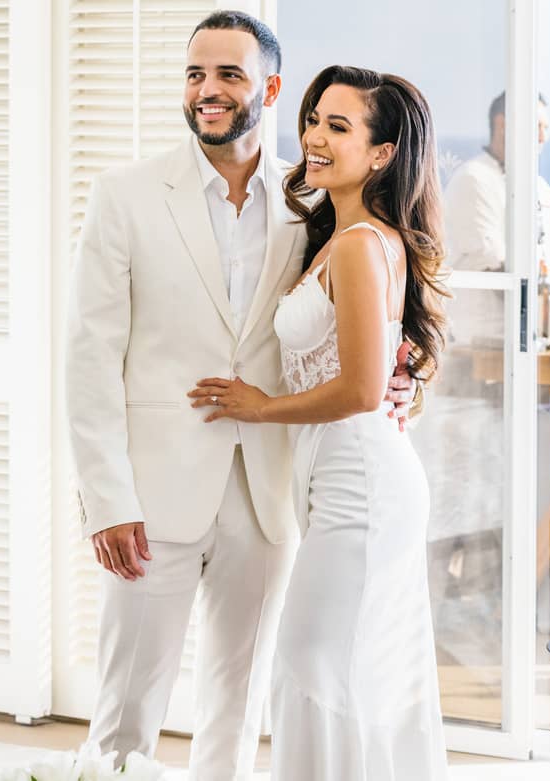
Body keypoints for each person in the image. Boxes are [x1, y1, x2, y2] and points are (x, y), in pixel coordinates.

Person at [66, 11, 417, 777]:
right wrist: (106, 497)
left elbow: (370, 304)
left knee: (242, 704)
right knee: (127, 709)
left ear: (271, 87)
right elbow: (89, 356)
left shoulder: (313, 204)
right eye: (195, 73)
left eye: (229, 73)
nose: (208, 90)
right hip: (150, 496)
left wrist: (402, 371)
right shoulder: (125, 196)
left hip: (269, 491)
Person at [187, 65, 451, 778]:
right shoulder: (342, 237)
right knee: (345, 672)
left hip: (361, 485)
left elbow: (365, 388)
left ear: (383, 154)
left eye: (339, 126)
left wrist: (259, 406)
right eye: (312, 120)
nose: (315, 137)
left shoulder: (363, 246)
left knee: (313, 664)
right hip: (341, 478)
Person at [444, 90, 550, 279]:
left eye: (546, 128)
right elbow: (497, 268)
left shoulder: (542, 189)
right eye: (536, 126)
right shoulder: (473, 180)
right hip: (488, 308)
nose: (543, 138)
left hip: (535, 307)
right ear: (503, 125)